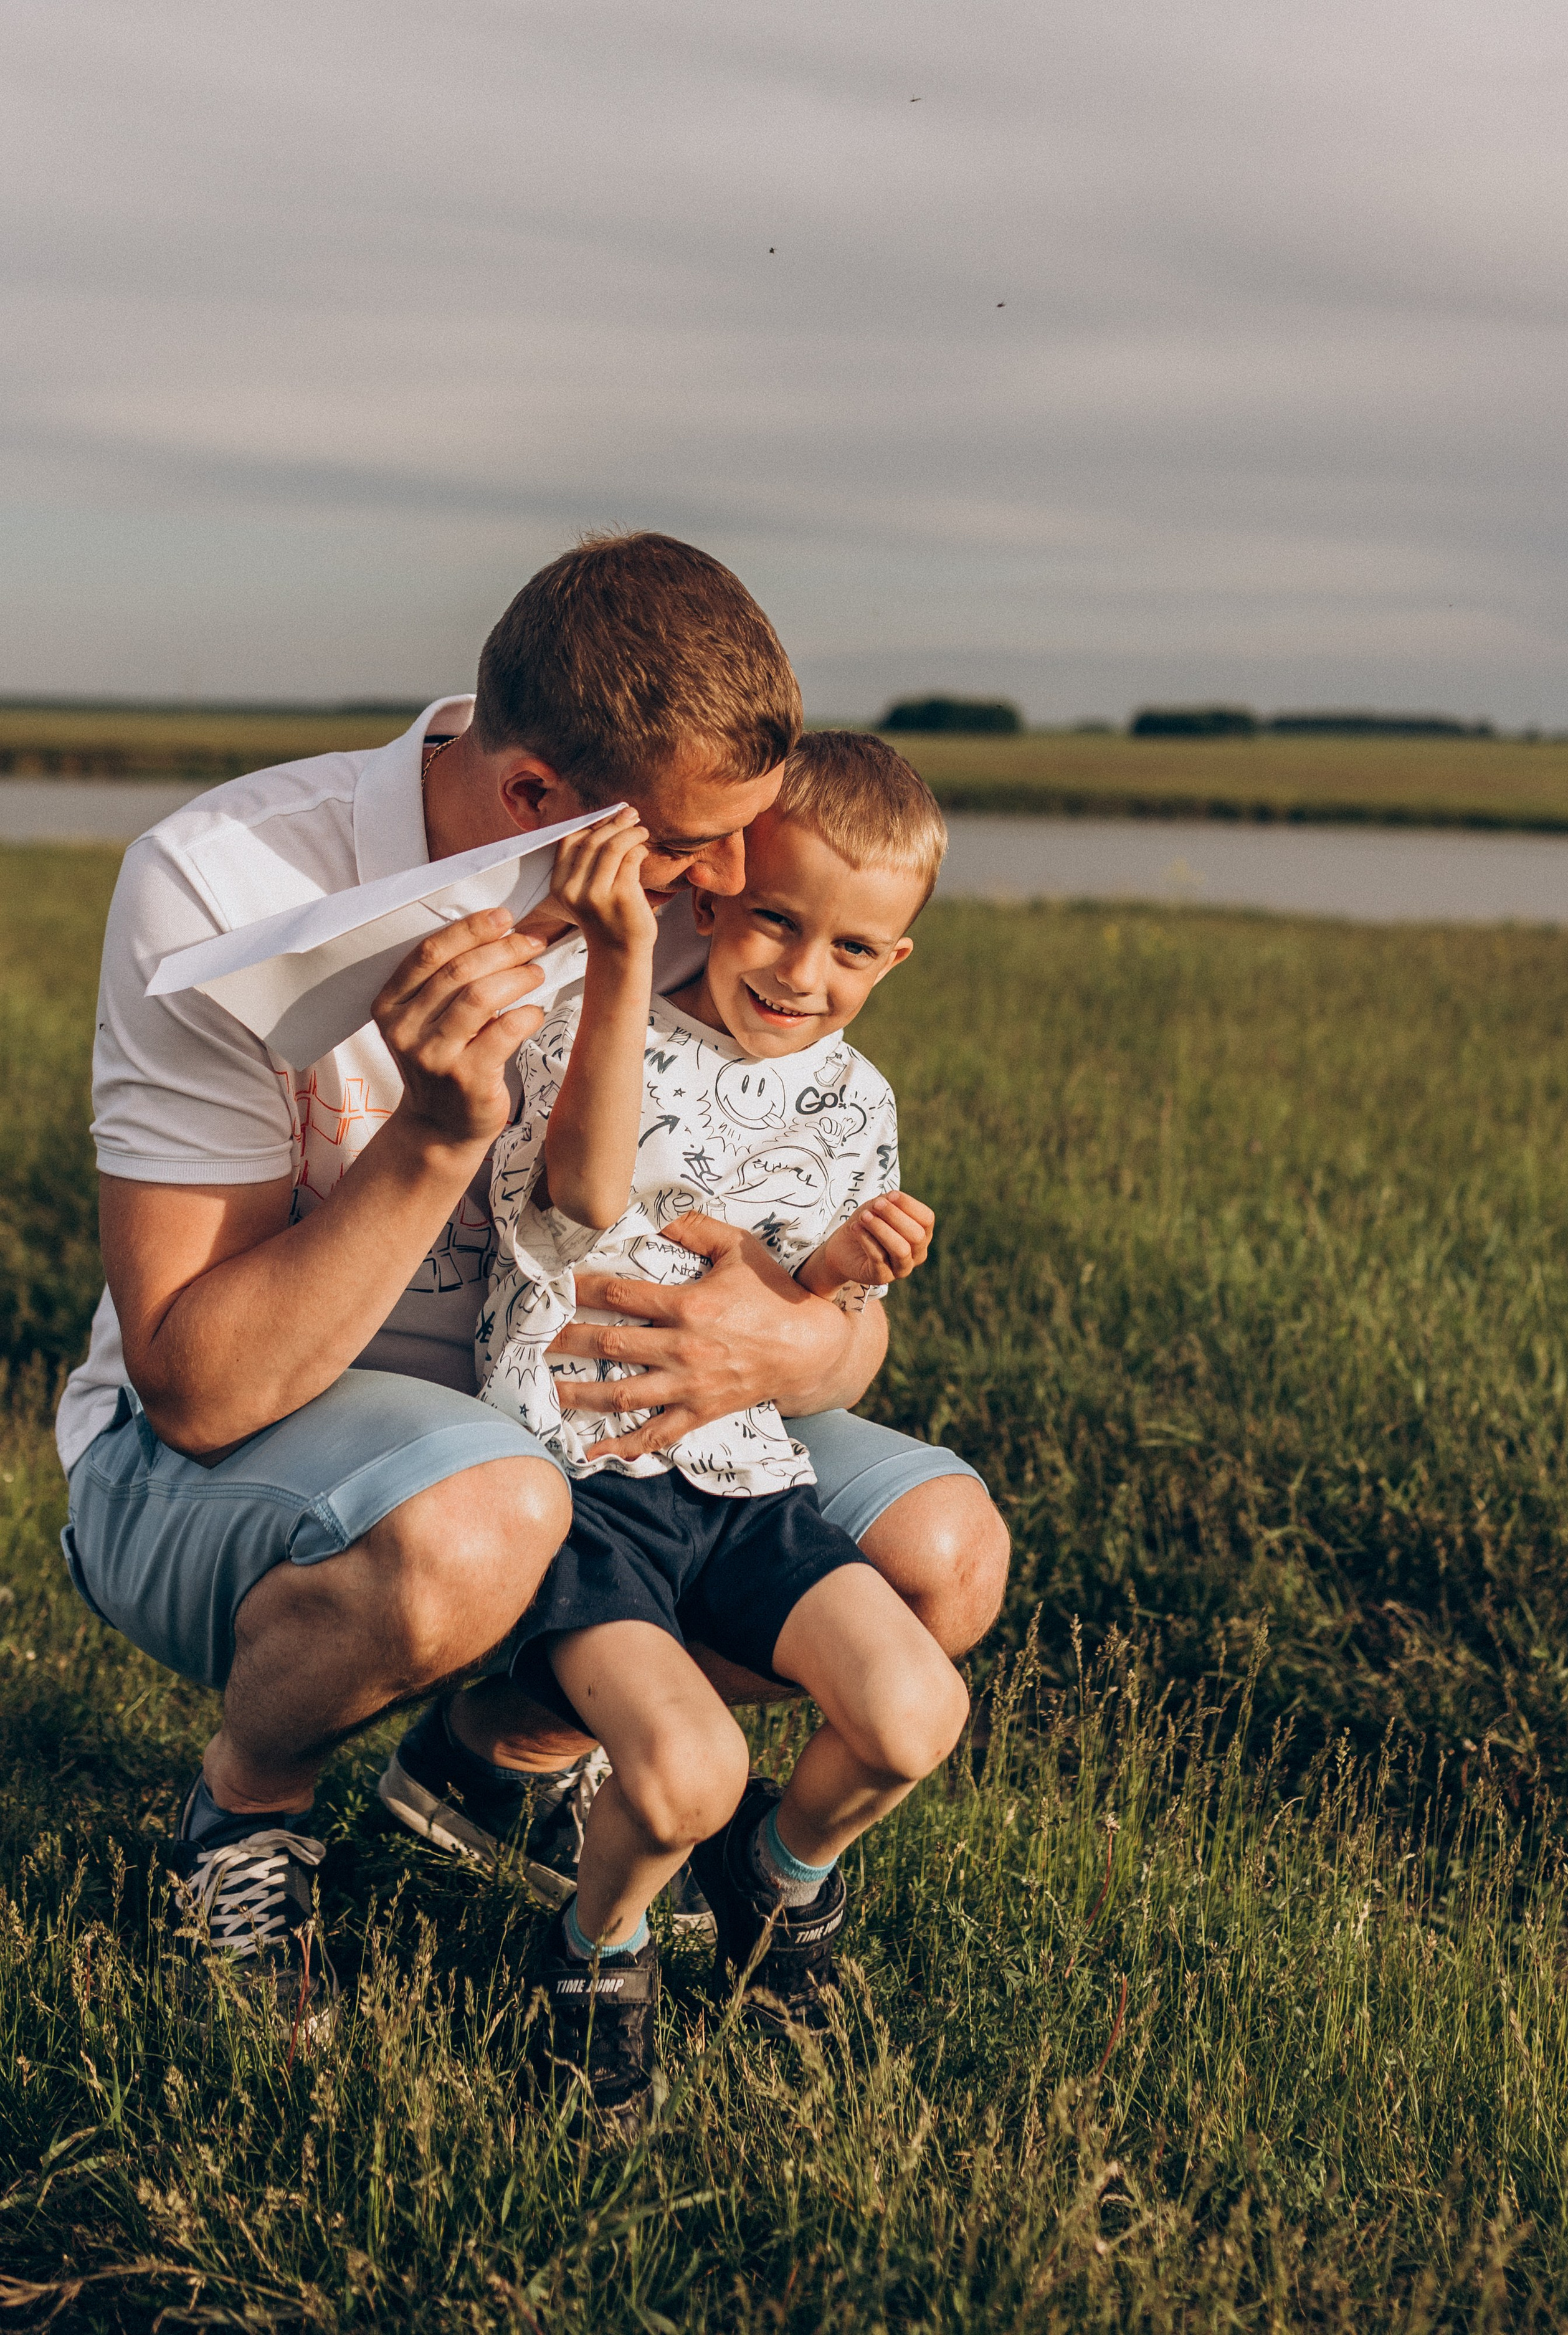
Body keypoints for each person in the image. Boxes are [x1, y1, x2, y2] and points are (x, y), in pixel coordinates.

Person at [55, 533, 1009, 2025]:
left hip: (590, 1418)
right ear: (532, 804)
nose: (731, 893)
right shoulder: (221, 883)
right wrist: (438, 1136)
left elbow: (823, 1309)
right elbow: (196, 1387)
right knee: (496, 1503)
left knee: (942, 1550)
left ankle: (496, 1751)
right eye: (695, 851)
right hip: (241, 1467)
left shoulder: (722, 887)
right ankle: (247, 1811)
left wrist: (788, 1350)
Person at [467, 735, 968, 2124]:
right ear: (710, 894)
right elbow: (576, 1196)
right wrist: (622, 958)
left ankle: (776, 1881)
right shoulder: (590, 1020)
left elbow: (797, 1309)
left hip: (744, 1478)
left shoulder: (853, 1100)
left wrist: (846, 1263)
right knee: (689, 1770)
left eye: (854, 951)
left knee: (914, 1710)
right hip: (582, 1473)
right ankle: (591, 1950)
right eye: (776, 921)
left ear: (895, 962)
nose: (805, 977)